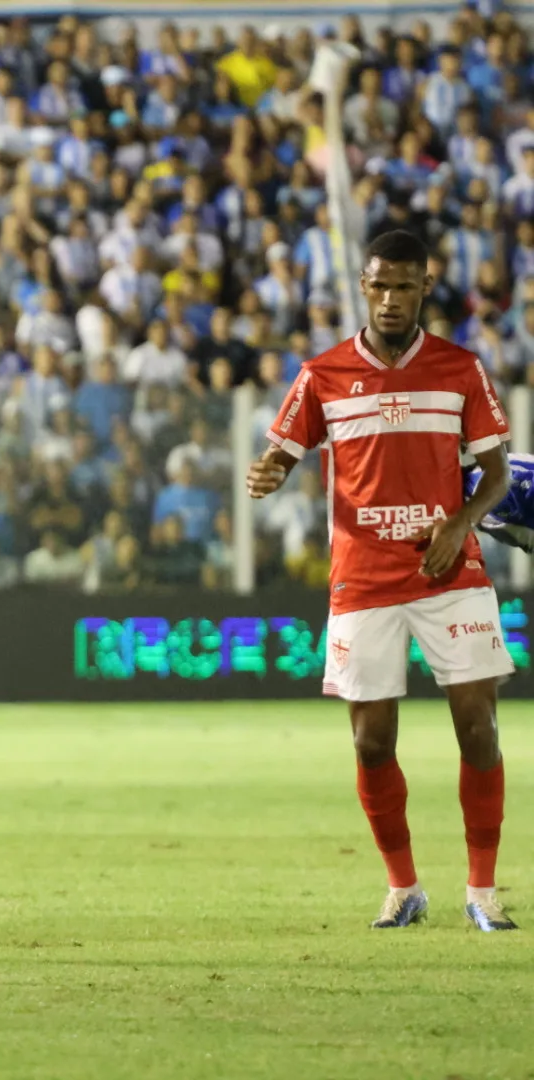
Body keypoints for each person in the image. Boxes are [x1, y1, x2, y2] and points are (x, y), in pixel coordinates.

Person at [248, 229, 516, 933]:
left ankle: (482, 891)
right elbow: (283, 448)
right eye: (379, 285)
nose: (390, 298)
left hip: (449, 573)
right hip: (363, 578)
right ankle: (403, 888)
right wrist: (272, 470)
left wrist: (458, 523)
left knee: (479, 728)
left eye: (404, 285)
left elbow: (497, 474)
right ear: (362, 288)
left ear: (425, 287)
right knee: (371, 742)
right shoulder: (324, 372)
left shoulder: (460, 368)